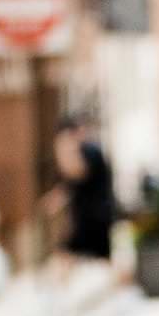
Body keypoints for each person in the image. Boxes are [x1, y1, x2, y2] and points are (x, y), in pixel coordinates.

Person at [46, 118, 117, 294]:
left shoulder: (90, 150)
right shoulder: (82, 150)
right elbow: (70, 185)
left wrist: (63, 152)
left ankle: (61, 296)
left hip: (96, 216)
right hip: (86, 216)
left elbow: (76, 172)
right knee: (68, 257)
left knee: (69, 256)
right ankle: (60, 295)